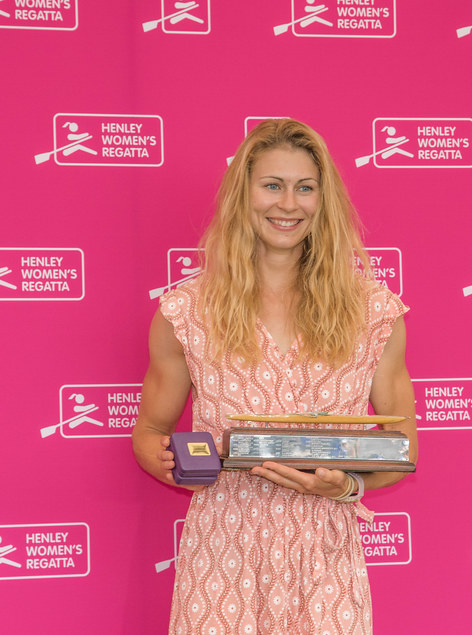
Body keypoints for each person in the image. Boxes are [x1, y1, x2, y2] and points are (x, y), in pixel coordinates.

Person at [132, 118, 417, 634]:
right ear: (244, 195)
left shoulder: (375, 312)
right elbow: (150, 433)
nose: (288, 204)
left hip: (325, 558)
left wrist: (345, 487)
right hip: (223, 555)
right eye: (272, 185)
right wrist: (173, 462)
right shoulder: (187, 311)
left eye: (305, 188)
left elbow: (402, 449)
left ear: (322, 200)